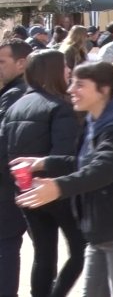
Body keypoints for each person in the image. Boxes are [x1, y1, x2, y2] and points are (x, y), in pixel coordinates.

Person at [13, 61, 113, 296]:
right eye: (72, 83)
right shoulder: (95, 121)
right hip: (99, 230)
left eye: (80, 84)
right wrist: (43, 162)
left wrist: (58, 187)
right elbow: (85, 163)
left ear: (104, 89)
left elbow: (102, 170)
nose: (70, 90)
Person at [3, 49, 85, 297]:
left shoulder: (15, 106)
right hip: (56, 190)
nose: (69, 71)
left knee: (44, 254)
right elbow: (65, 158)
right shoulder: (61, 107)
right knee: (84, 250)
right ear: (53, 71)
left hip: (26, 190)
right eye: (65, 67)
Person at [0, 38, 34, 297]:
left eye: (2, 62)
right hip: (15, 185)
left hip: (10, 185)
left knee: (7, 247)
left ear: (21, 63)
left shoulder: (15, 95)